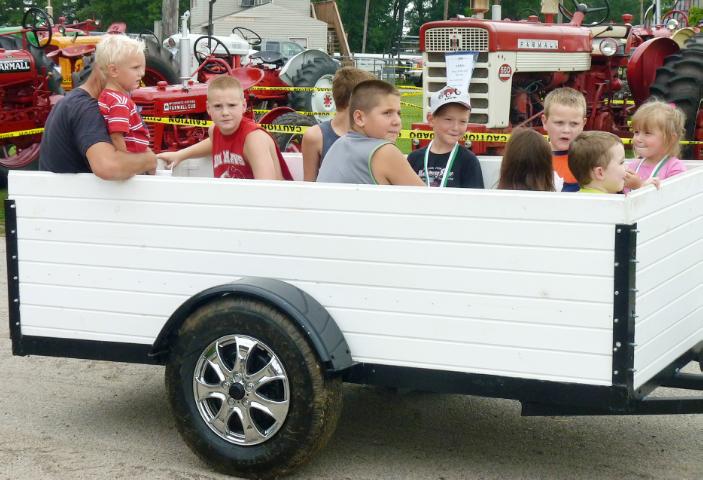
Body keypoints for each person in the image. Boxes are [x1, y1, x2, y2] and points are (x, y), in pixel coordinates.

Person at [158, 75, 292, 180]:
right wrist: (180, 155)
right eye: (218, 106)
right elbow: (213, 141)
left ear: (244, 106)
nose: (225, 112)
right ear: (208, 108)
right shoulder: (215, 131)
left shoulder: (253, 139)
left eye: (232, 105)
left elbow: (267, 191)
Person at [38, 63, 156, 178]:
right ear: (110, 70)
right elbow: (108, 167)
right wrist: (149, 160)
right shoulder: (87, 109)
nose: (141, 74)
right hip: (74, 194)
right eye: (134, 68)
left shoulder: (71, 101)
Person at [316, 79, 424, 186]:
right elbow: (428, 199)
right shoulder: (385, 152)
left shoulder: (338, 145)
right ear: (359, 118)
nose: (397, 121)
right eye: (387, 113)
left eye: (398, 114)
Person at [301, 67, 375, 181]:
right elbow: (309, 184)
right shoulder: (316, 136)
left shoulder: (373, 134)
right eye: (371, 98)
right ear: (354, 100)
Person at [406, 85, 483, 188]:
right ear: (431, 119)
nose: (455, 127)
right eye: (448, 119)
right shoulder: (414, 158)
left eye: (463, 121)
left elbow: (476, 201)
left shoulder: (469, 161)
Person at [95, 34, 150, 154]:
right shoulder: (120, 102)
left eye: (142, 67)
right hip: (132, 159)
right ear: (114, 70)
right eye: (136, 68)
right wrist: (126, 161)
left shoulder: (106, 96)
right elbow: (116, 136)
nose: (142, 73)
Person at [625, 100, 687, 191]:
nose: (638, 139)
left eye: (647, 133)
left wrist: (639, 187)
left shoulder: (674, 168)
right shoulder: (632, 166)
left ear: (670, 138)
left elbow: (672, 200)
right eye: (636, 132)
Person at [541, 87, 587, 192]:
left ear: (583, 124)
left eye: (574, 124)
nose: (566, 130)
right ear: (544, 122)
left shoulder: (590, 159)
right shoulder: (535, 159)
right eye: (559, 123)